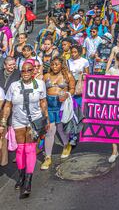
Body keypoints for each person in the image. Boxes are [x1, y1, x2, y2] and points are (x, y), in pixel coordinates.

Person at [0, 61, 48, 197]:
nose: (26, 73)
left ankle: (28, 182)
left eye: (29, 70)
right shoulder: (14, 86)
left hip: (34, 122)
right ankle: (21, 176)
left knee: (30, 149)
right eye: (23, 71)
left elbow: (43, 102)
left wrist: (47, 118)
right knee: (20, 149)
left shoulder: (40, 84)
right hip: (18, 121)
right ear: (20, 72)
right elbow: (8, 105)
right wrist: (3, 122)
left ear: (33, 71)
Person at [41, 57, 75, 170]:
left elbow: (72, 88)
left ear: (61, 65)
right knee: (50, 131)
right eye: (52, 65)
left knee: (60, 128)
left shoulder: (67, 76)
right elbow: (41, 90)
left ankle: (67, 145)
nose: (54, 67)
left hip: (61, 106)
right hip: (50, 106)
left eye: (57, 64)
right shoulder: (46, 76)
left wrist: (67, 94)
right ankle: (48, 157)